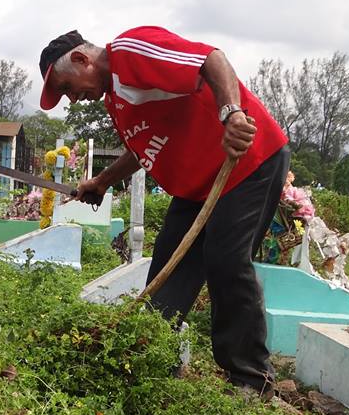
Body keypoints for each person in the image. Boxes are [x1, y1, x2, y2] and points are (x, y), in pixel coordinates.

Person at [38, 27, 289, 396]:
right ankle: (155, 364)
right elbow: (144, 149)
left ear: (80, 59)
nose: (71, 99)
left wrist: (232, 114)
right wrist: (104, 181)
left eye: (65, 88)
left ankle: (252, 380)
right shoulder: (117, 101)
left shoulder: (130, 52)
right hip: (195, 185)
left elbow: (210, 59)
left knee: (226, 261)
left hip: (246, 162)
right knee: (166, 278)